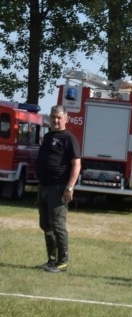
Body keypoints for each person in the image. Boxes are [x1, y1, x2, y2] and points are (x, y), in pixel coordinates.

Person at [35, 105, 81, 273]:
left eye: (59, 117)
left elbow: (76, 163)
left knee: (58, 225)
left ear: (66, 119)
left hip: (58, 188)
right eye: (53, 116)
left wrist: (70, 187)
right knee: (46, 224)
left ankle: (62, 262)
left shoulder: (69, 138)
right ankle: (51, 260)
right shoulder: (48, 136)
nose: (55, 120)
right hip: (44, 187)